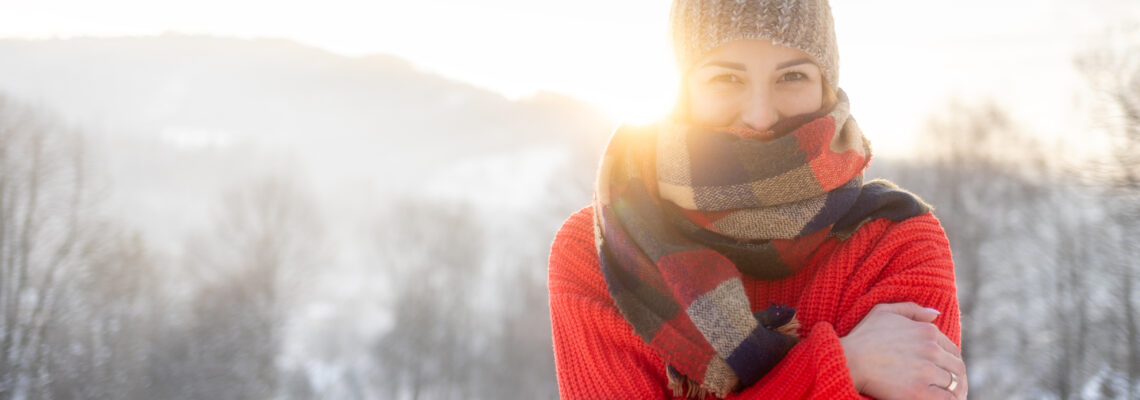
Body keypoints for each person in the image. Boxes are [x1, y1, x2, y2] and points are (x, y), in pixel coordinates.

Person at [546, 0, 968, 399]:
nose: (761, 115)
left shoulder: (897, 244)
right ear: (682, 89)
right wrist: (841, 366)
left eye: (792, 76)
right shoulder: (604, 251)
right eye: (726, 78)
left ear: (825, 85)